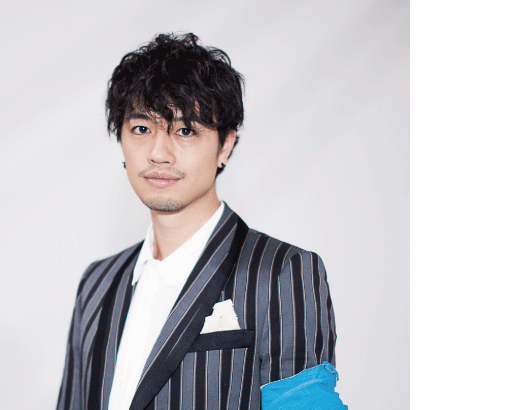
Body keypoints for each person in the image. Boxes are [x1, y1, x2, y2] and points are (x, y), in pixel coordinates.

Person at [56, 33, 346, 410]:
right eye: (142, 129)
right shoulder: (97, 283)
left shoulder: (282, 272)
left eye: (185, 130)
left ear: (225, 145)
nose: (159, 153)